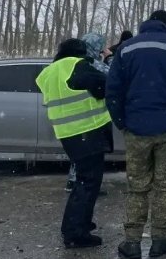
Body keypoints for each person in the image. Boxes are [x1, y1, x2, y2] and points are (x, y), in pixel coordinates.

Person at [106, 10, 166, 259]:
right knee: (164, 187)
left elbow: (112, 90)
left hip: (136, 130)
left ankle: (132, 242)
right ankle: (160, 239)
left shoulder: (126, 49)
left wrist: (122, 122)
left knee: (137, 187)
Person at [36, 38, 113, 249]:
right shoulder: (76, 65)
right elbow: (104, 84)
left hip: (68, 134)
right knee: (88, 183)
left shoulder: (51, 72)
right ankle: (75, 233)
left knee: (83, 180)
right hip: (86, 131)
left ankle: (78, 224)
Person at [66, 33, 113, 193]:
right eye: (101, 46)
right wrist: (109, 57)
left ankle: (74, 181)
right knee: (90, 154)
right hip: (90, 114)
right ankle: (83, 184)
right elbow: (113, 75)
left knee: (79, 152)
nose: (103, 49)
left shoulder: (73, 62)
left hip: (74, 113)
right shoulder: (92, 64)